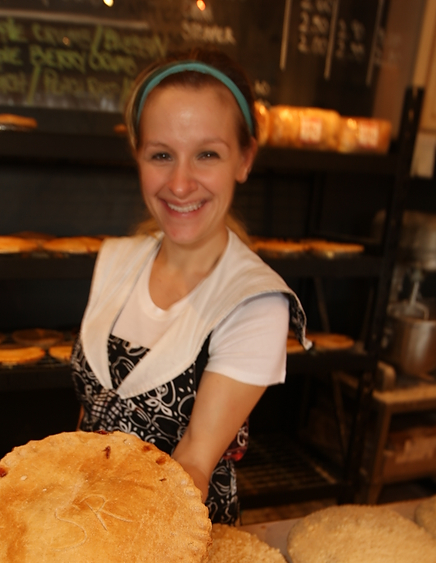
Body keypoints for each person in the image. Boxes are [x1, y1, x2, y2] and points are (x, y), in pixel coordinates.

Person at [71, 47, 307, 524]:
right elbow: (87, 416)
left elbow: (194, 461)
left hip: (176, 542)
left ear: (244, 159)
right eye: (161, 154)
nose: (180, 184)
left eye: (207, 154)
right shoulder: (115, 261)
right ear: (138, 156)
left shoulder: (253, 302)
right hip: (86, 518)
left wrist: (107, 551)